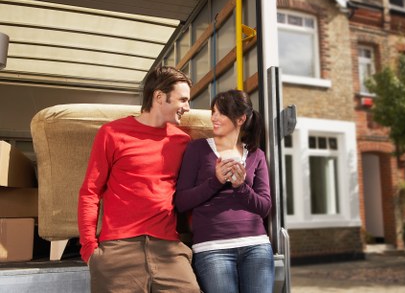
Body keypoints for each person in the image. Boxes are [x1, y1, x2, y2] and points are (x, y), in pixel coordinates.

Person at [78, 66, 200, 293]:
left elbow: (189, 195)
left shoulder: (183, 142)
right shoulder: (112, 133)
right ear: (159, 96)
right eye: (183, 99)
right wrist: (89, 250)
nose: (187, 107)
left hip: (168, 248)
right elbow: (90, 192)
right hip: (118, 248)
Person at [175, 89, 274, 293]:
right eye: (213, 112)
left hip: (256, 246)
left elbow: (264, 207)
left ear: (240, 119)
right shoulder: (197, 149)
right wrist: (216, 181)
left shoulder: (256, 155)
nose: (213, 117)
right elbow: (181, 201)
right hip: (212, 249)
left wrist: (241, 187)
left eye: (221, 113)